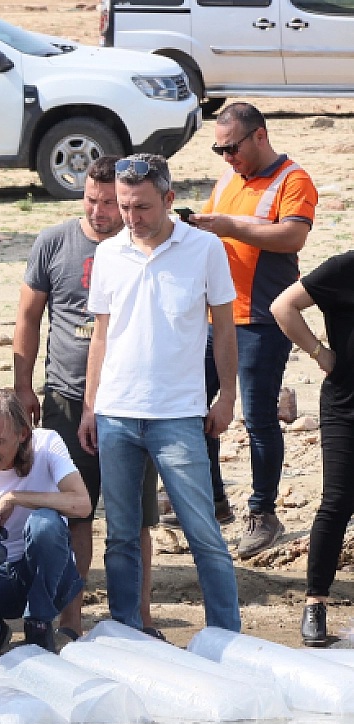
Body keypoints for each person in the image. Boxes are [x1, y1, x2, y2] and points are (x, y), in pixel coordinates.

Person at [78, 153, 242, 634]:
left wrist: (227, 396)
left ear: (169, 199)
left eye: (143, 207)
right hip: (115, 413)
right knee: (122, 535)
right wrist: (91, 406)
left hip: (180, 415)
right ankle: (128, 632)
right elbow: (102, 334)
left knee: (203, 533)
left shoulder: (206, 249)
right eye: (125, 206)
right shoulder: (110, 252)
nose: (132, 217)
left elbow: (226, 331)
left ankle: (225, 634)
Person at [13, 154, 161, 639]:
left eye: (109, 204)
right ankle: (72, 621)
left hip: (129, 402)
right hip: (63, 400)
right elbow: (28, 318)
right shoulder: (54, 242)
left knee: (134, 518)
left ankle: (139, 617)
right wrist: (22, 385)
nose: (100, 212)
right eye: (91, 200)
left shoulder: (141, 247)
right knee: (73, 510)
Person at [186, 102, 317, 559]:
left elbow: (291, 237)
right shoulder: (229, 177)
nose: (226, 157)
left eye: (232, 147)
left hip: (263, 317)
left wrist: (229, 227)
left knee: (259, 417)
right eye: (219, 149)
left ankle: (263, 513)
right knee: (193, 408)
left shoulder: (293, 180)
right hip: (215, 315)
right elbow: (208, 228)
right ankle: (214, 498)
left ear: (259, 136)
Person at [0, 389, 90, 659]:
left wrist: (16, 499)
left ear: (22, 434)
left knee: (45, 524)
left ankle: (38, 624)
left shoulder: (46, 443)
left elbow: (82, 503)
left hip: (45, 574)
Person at [273, 250, 354, 646]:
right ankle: (315, 606)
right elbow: (283, 306)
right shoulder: (344, 267)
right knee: (338, 500)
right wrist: (320, 354)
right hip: (346, 404)